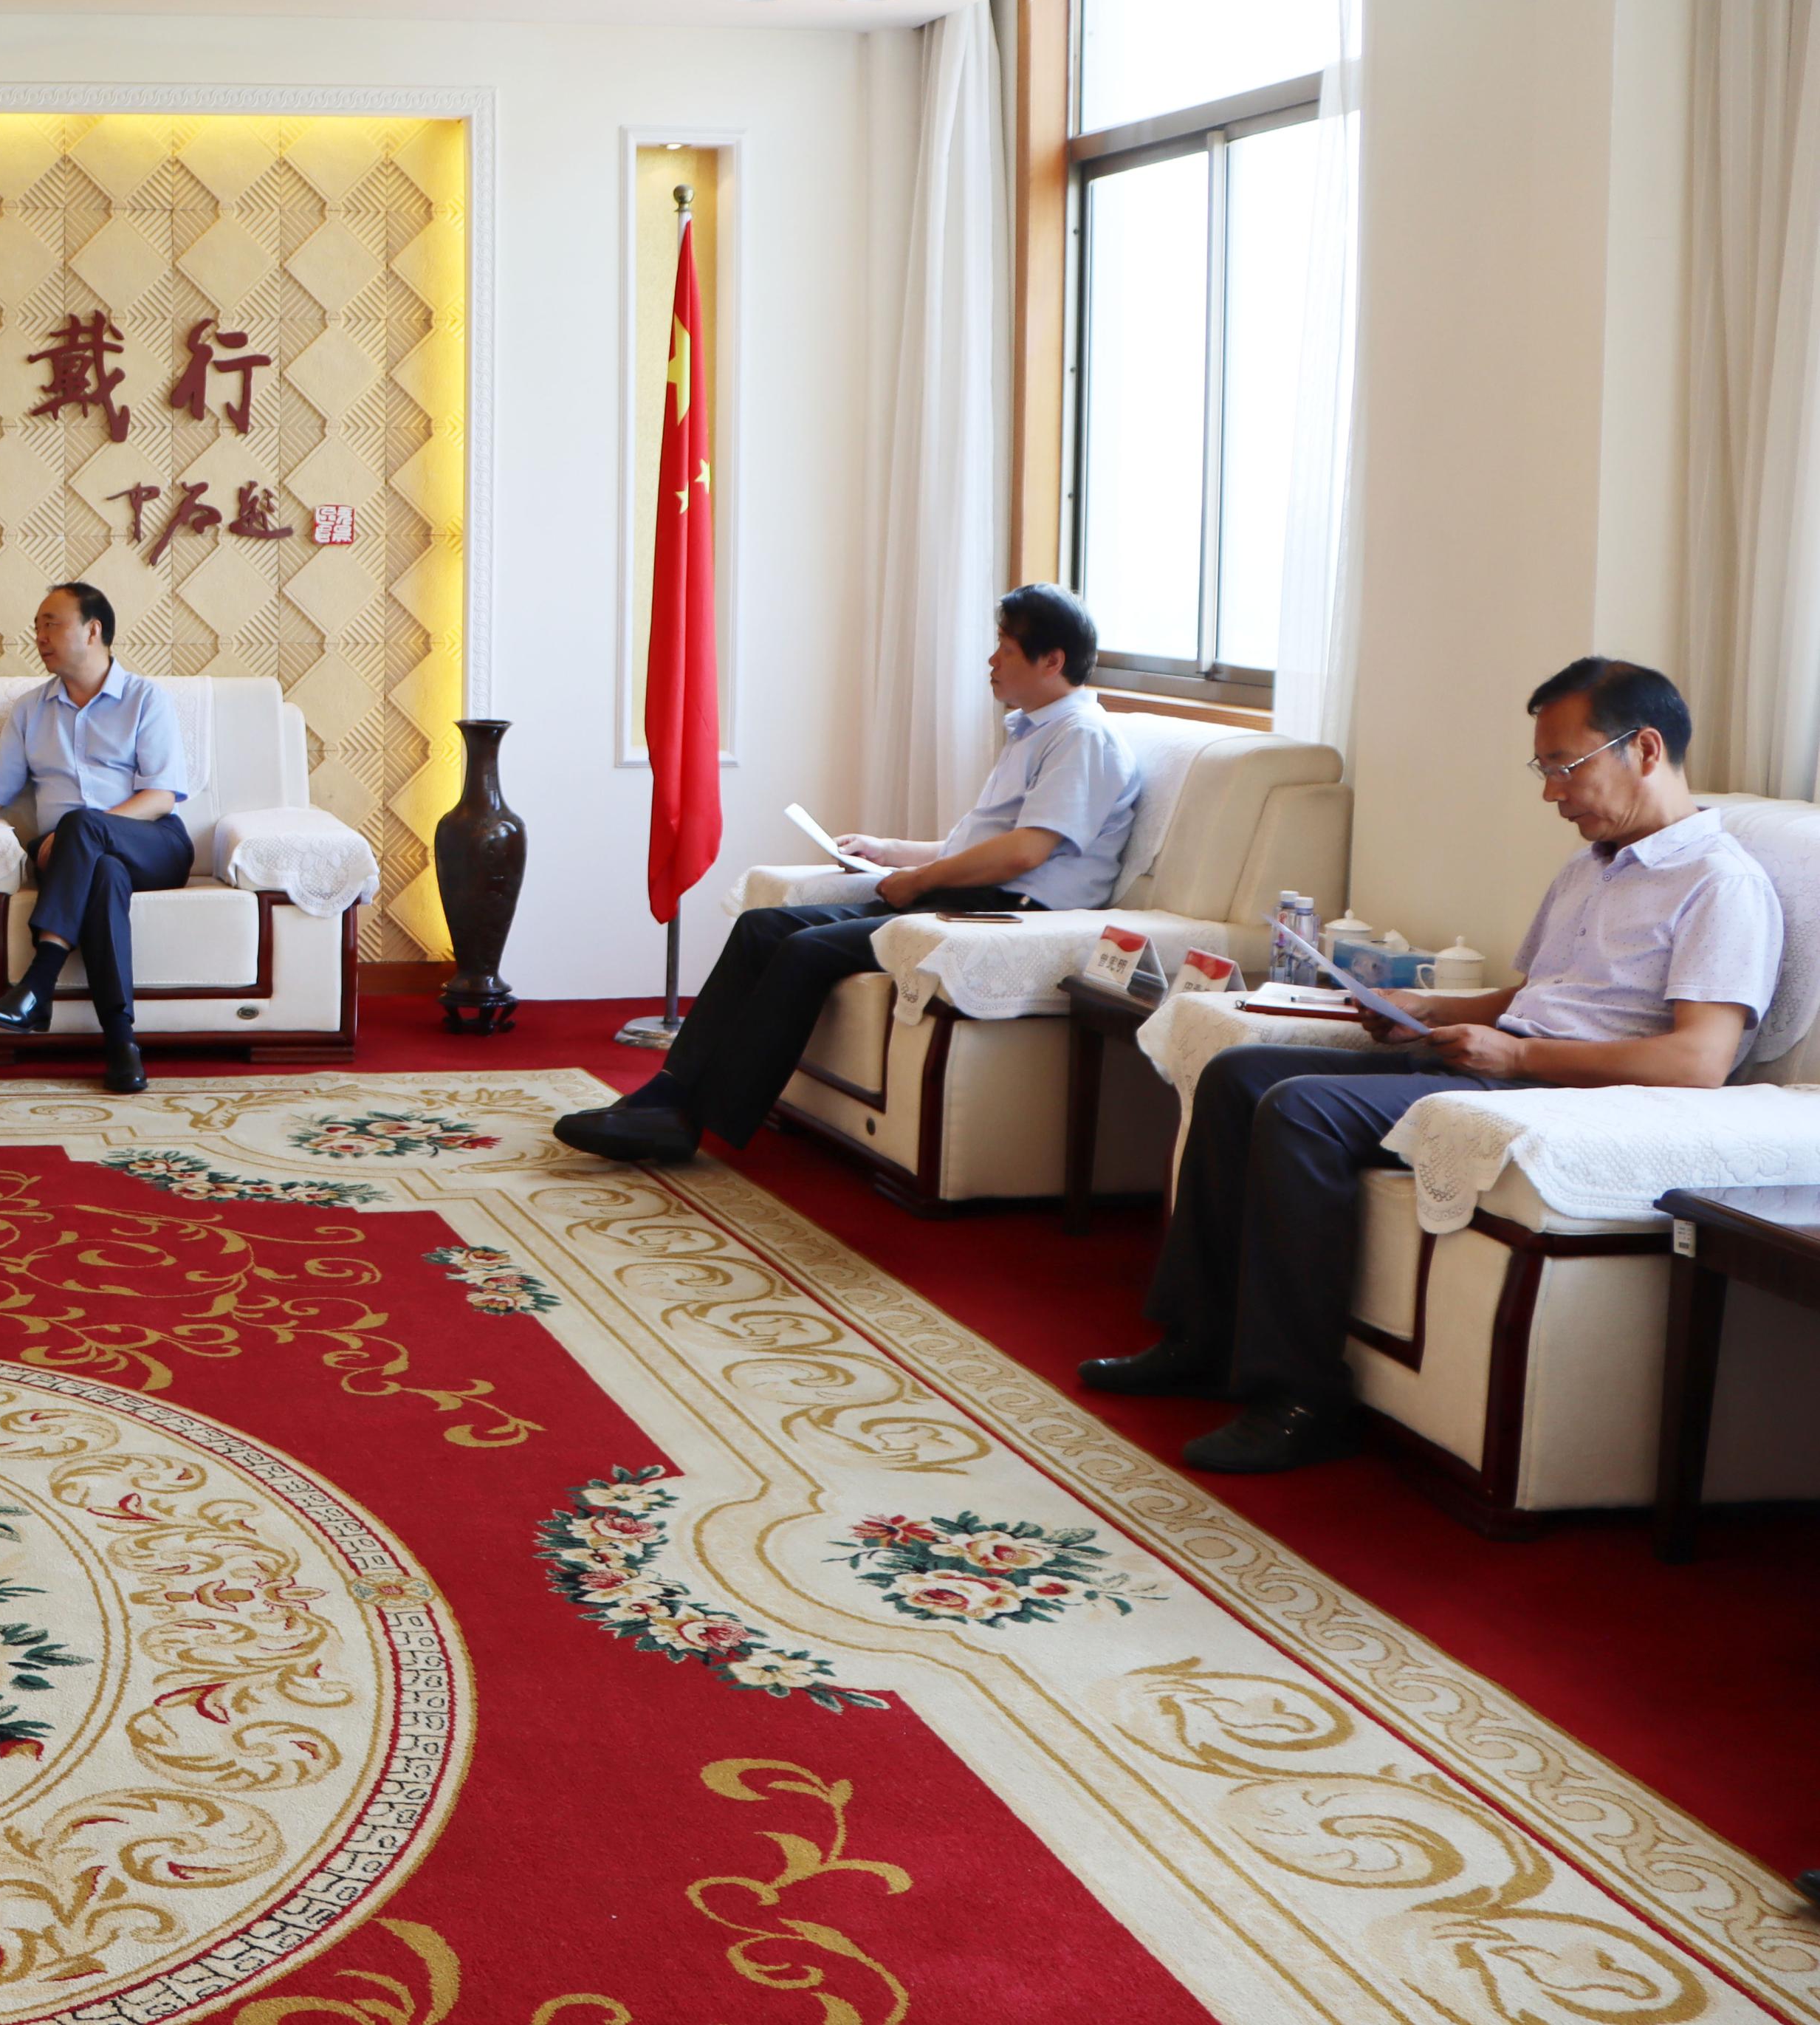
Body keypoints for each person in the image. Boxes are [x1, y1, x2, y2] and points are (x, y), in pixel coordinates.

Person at [1086, 657, 1779, 1473]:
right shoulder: (1590, 866)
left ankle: (1300, 1396)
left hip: (1556, 1091)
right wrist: (1433, 1009)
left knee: (1300, 1109)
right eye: (1543, 769)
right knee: (1238, 1075)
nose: (1551, 793)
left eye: (1565, 766)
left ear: (1646, 748)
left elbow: (1698, 1060)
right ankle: (1199, 1340)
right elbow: (1537, 994)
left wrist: (1516, 1052)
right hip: (1501, 1061)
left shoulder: (1720, 884)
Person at [558, 583, 1144, 1165]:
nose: (992, 660)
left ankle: (694, 1119)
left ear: (1052, 660)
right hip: (966, 894)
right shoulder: (1035, 730)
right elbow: (976, 844)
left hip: (1006, 912)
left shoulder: (1082, 737)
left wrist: (920, 881)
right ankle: (667, 1093)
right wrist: (887, 851)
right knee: (761, 927)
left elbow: (1026, 852)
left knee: (804, 951)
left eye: (1006, 648)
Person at [0, 581, 190, 1096]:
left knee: (83, 827)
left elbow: (160, 797)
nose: (40, 636)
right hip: (75, 857)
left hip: (152, 842)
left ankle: (38, 983)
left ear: (92, 630)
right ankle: (122, 1044)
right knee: (103, 873)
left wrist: (83, 831)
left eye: (53, 623)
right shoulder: (30, 709)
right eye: (37, 626)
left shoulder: (145, 699)